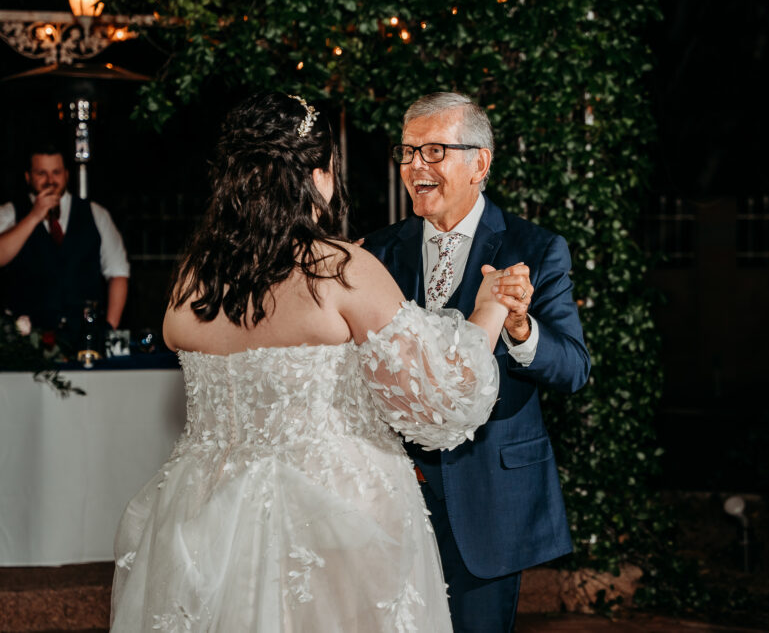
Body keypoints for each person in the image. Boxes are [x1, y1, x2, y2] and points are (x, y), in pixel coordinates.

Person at [109, 93, 518, 631]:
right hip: (333, 517)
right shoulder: (339, 268)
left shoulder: (194, 278)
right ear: (320, 175)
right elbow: (441, 397)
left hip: (200, 512)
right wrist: (488, 311)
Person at [362, 92, 591, 633]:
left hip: (488, 492)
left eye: (434, 151)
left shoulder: (534, 247)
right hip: (392, 489)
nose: (415, 165)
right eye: (408, 151)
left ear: (480, 163)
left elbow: (574, 368)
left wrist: (520, 330)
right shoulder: (376, 251)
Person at [0, 143, 129, 330]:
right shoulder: (9, 212)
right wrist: (34, 216)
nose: (50, 180)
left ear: (66, 175)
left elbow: (118, 273)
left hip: (83, 333)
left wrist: (109, 328)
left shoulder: (95, 213)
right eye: (41, 173)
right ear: (28, 177)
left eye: (56, 172)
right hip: (28, 337)